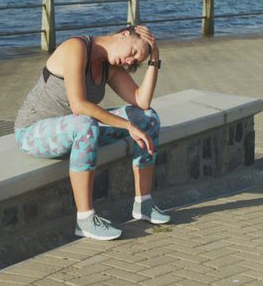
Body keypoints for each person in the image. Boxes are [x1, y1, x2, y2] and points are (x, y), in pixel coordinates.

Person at [14, 25, 170, 241]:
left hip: (77, 129)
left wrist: (155, 56)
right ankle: (85, 219)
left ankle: (143, 203)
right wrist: (126, 126)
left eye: (135, 62)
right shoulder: (76, 47)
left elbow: (142, 101)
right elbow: (79, 105)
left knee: (147, 119)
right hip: (33, 132)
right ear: (123, 34)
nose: (129, 62)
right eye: (133, 53)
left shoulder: (110, 67)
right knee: (86, 123)